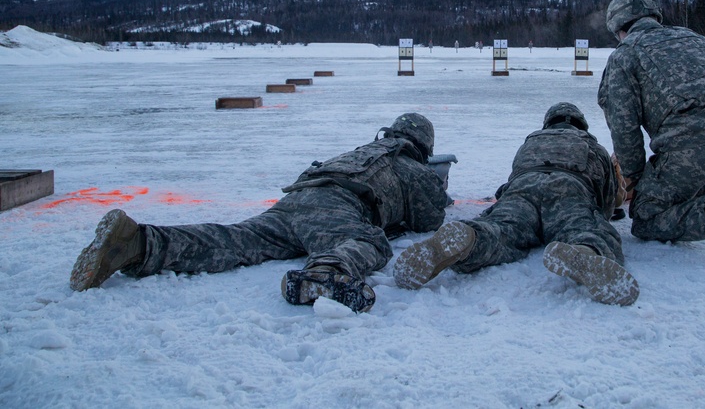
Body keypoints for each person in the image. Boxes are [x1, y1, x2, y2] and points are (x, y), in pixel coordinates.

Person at [70, 113, 450, 312]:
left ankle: (138, 243)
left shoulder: (360, 150)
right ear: (422, 145)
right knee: (369, 241)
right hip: (339, 205)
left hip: (298, 198)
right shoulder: (409, 165)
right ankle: (325, 273)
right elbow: (429, 219)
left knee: (234, 240)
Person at [392, 102, 639, 306]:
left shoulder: (530, 143)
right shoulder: (593, 146)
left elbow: (515, 176)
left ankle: (469, 238)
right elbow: (609, 200)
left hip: (522, 189)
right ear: (580, 124)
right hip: (569, 189)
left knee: (502, 228)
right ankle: (586, 251)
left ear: (548, 122)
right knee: (585, 228)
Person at [597, 0, 705, 265]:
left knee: (646, 216)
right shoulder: (696, 39)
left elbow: (624, 127)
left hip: (690, 149)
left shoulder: (625, 55)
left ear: (618, 28)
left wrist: (633, 176)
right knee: (685, 177)